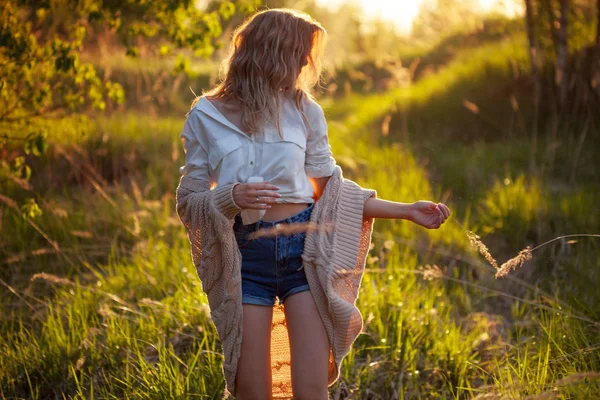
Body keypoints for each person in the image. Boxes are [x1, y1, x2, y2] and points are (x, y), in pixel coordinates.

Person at [176, 8, 450, 400]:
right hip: (244, 258)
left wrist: (406, 210)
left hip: (305, 255)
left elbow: (332, 195)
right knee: (252, 391)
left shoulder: (305, 111)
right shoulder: (205, 115)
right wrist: (230, 197)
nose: (307, 63)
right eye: (300, 53)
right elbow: (189, 201)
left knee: (311, 391)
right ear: (270, 52)